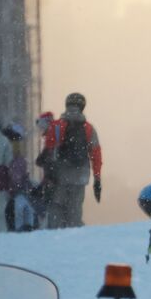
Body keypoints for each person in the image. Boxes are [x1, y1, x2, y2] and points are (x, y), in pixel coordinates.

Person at [43, 93, 103, 229]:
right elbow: (96, 155)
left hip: (59, 176)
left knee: (56, 208)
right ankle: (73, 239)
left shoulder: (56, 126)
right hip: (80, 176)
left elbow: (48, 153)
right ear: (82, 107)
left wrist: (48, 177)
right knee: (75, 211)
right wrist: (97, 179)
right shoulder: (88, 128)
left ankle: (54, 238)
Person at [3, 123, 37, 232]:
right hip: (13, 192)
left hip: (8, 191)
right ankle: (24, 228)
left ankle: (21, 228)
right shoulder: (18, 158)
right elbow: (17, 177)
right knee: (23, 209)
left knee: (21, 209)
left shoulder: (13, 156)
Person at [33, 111, 57, 226]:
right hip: (53, 181)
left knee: (51, 209)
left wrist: (45, 182)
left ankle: (51, 228)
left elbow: (46, 163)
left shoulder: (51, 141)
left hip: (52, 183)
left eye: (42, 125)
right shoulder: (53, 138)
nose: (41, 129)